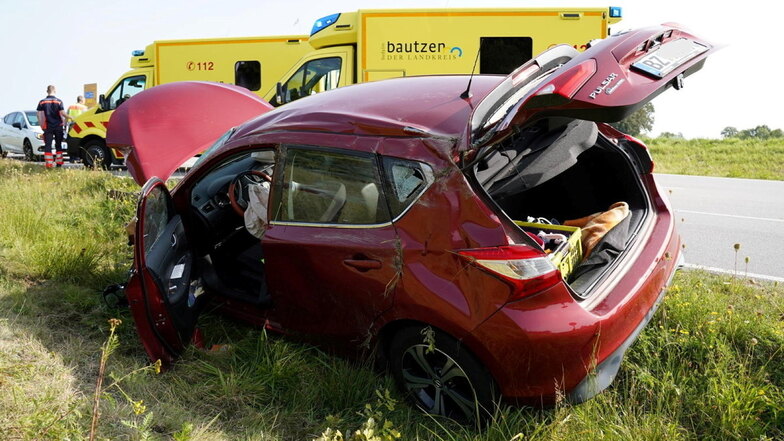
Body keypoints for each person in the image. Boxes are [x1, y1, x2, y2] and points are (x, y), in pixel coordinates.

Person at [36, 85, 73, 167]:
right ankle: (59, 163)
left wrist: (41, 125)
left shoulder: (42, 102)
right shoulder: (59, 101)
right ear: (55, 91)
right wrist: (71, 117)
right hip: (58, 126)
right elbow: (63, 113)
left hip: (48, 126)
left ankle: (49, 164)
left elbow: (38, 115)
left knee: (48, 144)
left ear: (47, 91)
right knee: (58, 144)